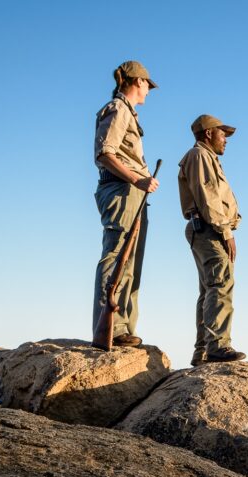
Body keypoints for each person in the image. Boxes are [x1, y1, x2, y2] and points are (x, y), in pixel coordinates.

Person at [91, 60, 159, 350]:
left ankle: (124, 328)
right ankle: (111, 328)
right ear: (137, 82)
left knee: (131, 262)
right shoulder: (117, 109)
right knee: (117, 257)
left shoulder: (128, 113)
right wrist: (136, 179)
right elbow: (104, 153)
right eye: (147, 84)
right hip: (121, 190)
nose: (149, 90)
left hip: (132, 192)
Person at [178, 114, 246, 364]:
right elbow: (209, 197)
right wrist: (226, 231)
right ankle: (217, 346)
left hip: (206, 228)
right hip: (209, 228)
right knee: (220, 285)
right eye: (222, 133)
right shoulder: (200, 156)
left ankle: (204, 351)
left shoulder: (206, 158)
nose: (226, 139)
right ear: (208, 133)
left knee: (209, 289)